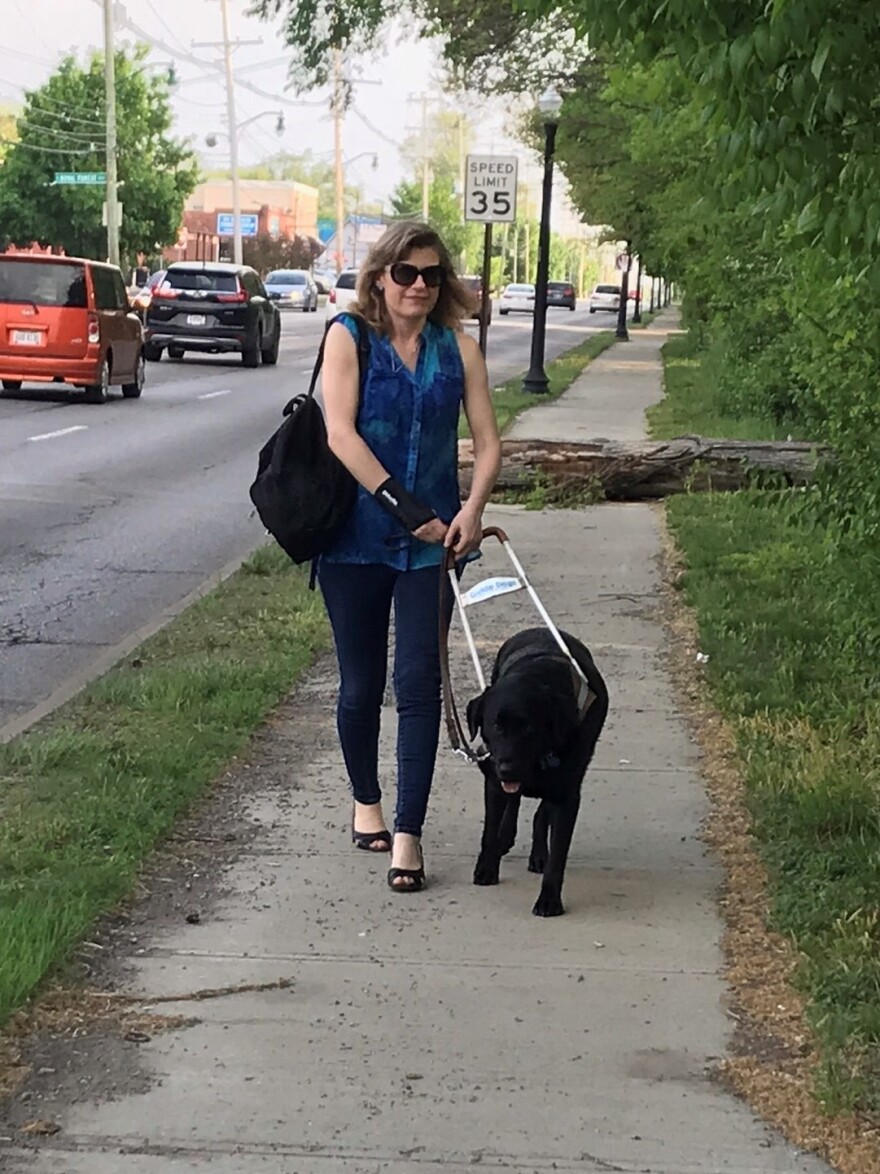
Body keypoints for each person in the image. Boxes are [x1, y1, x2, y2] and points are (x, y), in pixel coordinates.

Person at [319, 220, 502, 893]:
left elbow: (486, 441)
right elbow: (339, 433)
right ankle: (365, 798)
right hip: (354, 540)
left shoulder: (459, 350)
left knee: (420, 684)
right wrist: (408, 510)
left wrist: (471, 511)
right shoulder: (348, 337)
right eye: (405, 273)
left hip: (435, 549)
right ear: (379, 277)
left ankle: (408, 833)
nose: (418, 286)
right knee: (361, 683)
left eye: (431, 275)